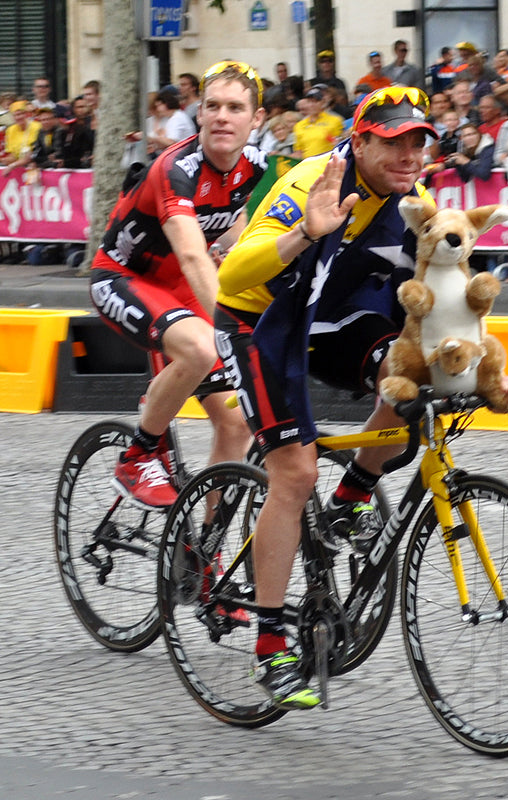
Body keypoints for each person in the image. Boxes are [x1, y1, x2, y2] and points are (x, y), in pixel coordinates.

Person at [213, 87, 441, 709]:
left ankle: (353, 495)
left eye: (418, 141)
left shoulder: (417, 202)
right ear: (360, 141)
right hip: (259, 322)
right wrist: (304, 234)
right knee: (294, 471)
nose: (410, 153)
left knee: (413, 373)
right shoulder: (317, 177)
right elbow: (231, 274)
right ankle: (269, 645)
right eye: (394, 141)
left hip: (332, 317)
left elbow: (441, 296)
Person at [89, 61, 267, 509]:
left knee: (237, 423)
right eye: (213, 106)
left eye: (235, 107)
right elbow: (190, 253)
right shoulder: (177, 168)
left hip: (181, 287)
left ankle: (201, 558)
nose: (223, 116)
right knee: (207, 347)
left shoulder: (254, 166)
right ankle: (138, 454)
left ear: (256, 119)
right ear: (200, 114)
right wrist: (231, 325)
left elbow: (234, 223)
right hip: (125, 278)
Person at [292, 85, 344, 158]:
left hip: (327, 162)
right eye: (309, 102)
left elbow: (340, 144)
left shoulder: (335, 120)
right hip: (308, 164)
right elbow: (299, 151)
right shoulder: (299, 125)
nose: (312, 105)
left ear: (323, 103)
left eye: (316, 101)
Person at [1, 101, 40, 175]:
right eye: (15, 115)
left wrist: (13, 165)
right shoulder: (10, 130)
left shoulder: (37, 127)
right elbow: (13, 155)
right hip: (19, 168)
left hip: (35, 165)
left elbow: (33, 154)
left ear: (26, 114)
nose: (18, 117)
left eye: (20, 114)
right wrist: (4, 160)